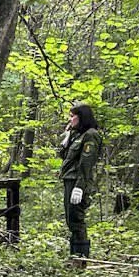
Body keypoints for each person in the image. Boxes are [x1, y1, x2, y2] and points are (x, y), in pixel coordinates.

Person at [57, 104, 102, 263]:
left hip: (78, 181)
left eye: (72, 116)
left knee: (76, 218)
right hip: (69, 179)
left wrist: (79, 187)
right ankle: (74, 257)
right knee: (71, 219)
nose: (70, 119)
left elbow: (86, 163)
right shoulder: (77, 135)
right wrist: (67, 138)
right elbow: (65, 157)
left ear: (81, 117)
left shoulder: (91, 135)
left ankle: (80, 260)